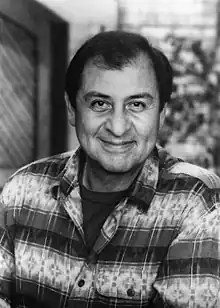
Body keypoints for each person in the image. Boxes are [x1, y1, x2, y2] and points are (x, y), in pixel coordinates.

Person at [0, 30, 220, 308]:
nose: (117, 127)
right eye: (99, 104)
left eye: (137, 104)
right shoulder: (22, 190)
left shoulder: (197, 200)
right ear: (71, 109)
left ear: (161, 115)